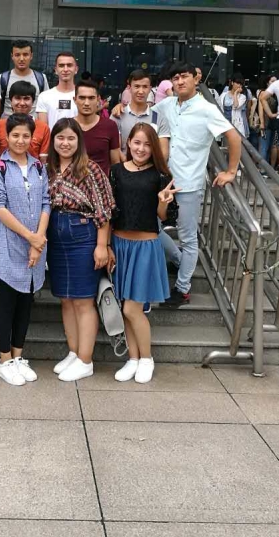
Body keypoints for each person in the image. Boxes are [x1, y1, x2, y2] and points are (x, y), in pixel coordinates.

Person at [155, 62, 241, 307]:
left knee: (188, 237)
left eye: (184, 77)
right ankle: (178, 259)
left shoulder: (206, 109)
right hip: (164, 182)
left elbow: (233, 137)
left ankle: (182, 288)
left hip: (189, 184)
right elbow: (145, 112)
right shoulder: (168, 105)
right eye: (175, 78)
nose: (180, 81)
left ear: (196, 79)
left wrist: (231, 171)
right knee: (152, 228)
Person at [46, 118, 115, 382]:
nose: (65, 143)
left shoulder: (90, 169)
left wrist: (101, 245)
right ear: (53, 140)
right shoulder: (48, 168)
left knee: (84, 300)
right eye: (60, 138)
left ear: (79, 141)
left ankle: (86, 360)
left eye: (71, 138)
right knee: (65, 298)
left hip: (83, 233)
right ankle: (74, 352)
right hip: (55, 233)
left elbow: (104, 210)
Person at [0, 114, 51, 386]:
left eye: (26, 135)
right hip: (7, 243)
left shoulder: (39, 167)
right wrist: (30, 238)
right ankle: (4, 360)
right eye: (15, 135)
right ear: (6, 137)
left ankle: (18, 356)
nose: (21, 140)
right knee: (7, 302)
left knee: (26, 302)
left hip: (36, 244)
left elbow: (46, 202)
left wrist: (39, 239)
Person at [109, 123, 175, 384]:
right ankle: (133, 358)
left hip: (145, 247)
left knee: (132, 308)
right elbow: (110, 210)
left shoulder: (160, 175)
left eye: (147, 144)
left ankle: (146, 358)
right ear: (128, 142)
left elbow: (165, 217)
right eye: (137, 142)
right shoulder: (116, 171)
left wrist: (163, 202)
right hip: (120, 245)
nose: (141, 148)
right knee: (125, 306)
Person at [0, 81, 50, 161]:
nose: (22, 103)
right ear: (11, 101)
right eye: (18, 98)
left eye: (26, 99)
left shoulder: (43, 128)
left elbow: (43, 160)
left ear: (33, 102)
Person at [75, 80, 121, 175]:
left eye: (91, 98)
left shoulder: (110, 126)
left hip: (101, 182)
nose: (86, 103)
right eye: (82, 98)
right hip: (71, 182)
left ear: (98, 99)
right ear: (75, 99)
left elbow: (115, 163)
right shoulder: (67, 126)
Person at [0, 40, 49, 118]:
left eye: (25, 55)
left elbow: (46, 105)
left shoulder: (41, 78)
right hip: (8, 123)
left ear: (31, 56)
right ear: (12, 56)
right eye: (17, 55)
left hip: (33, 123)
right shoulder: (3, 78)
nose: (21, 59)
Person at [116, 70, 155, 159]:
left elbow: (161, 150)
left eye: (145, 87)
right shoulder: (118, 115)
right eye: (137, 86)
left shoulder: (158, 118)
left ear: (150, 89)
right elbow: (114, 148)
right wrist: (128, 165)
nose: (141, 91)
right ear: (129, 88)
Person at [36, 52, 79, 129]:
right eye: (61, 66)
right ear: (56, 70)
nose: (65, 69)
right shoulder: (44, 96)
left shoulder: (83, 96)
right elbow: (43, 130)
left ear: (76, 69)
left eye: (69, 65)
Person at [257, 74, 278, 165]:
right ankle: (262, 168)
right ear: (267, 83)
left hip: (274, 123)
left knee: (270, 146)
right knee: (264, 146)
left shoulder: (276, 94)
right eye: (272, 81)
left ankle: (266, 168)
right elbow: (260, 109)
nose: (275, 83)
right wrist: (262, 123)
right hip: (266, 122)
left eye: (276, 81)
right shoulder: (263, 93)